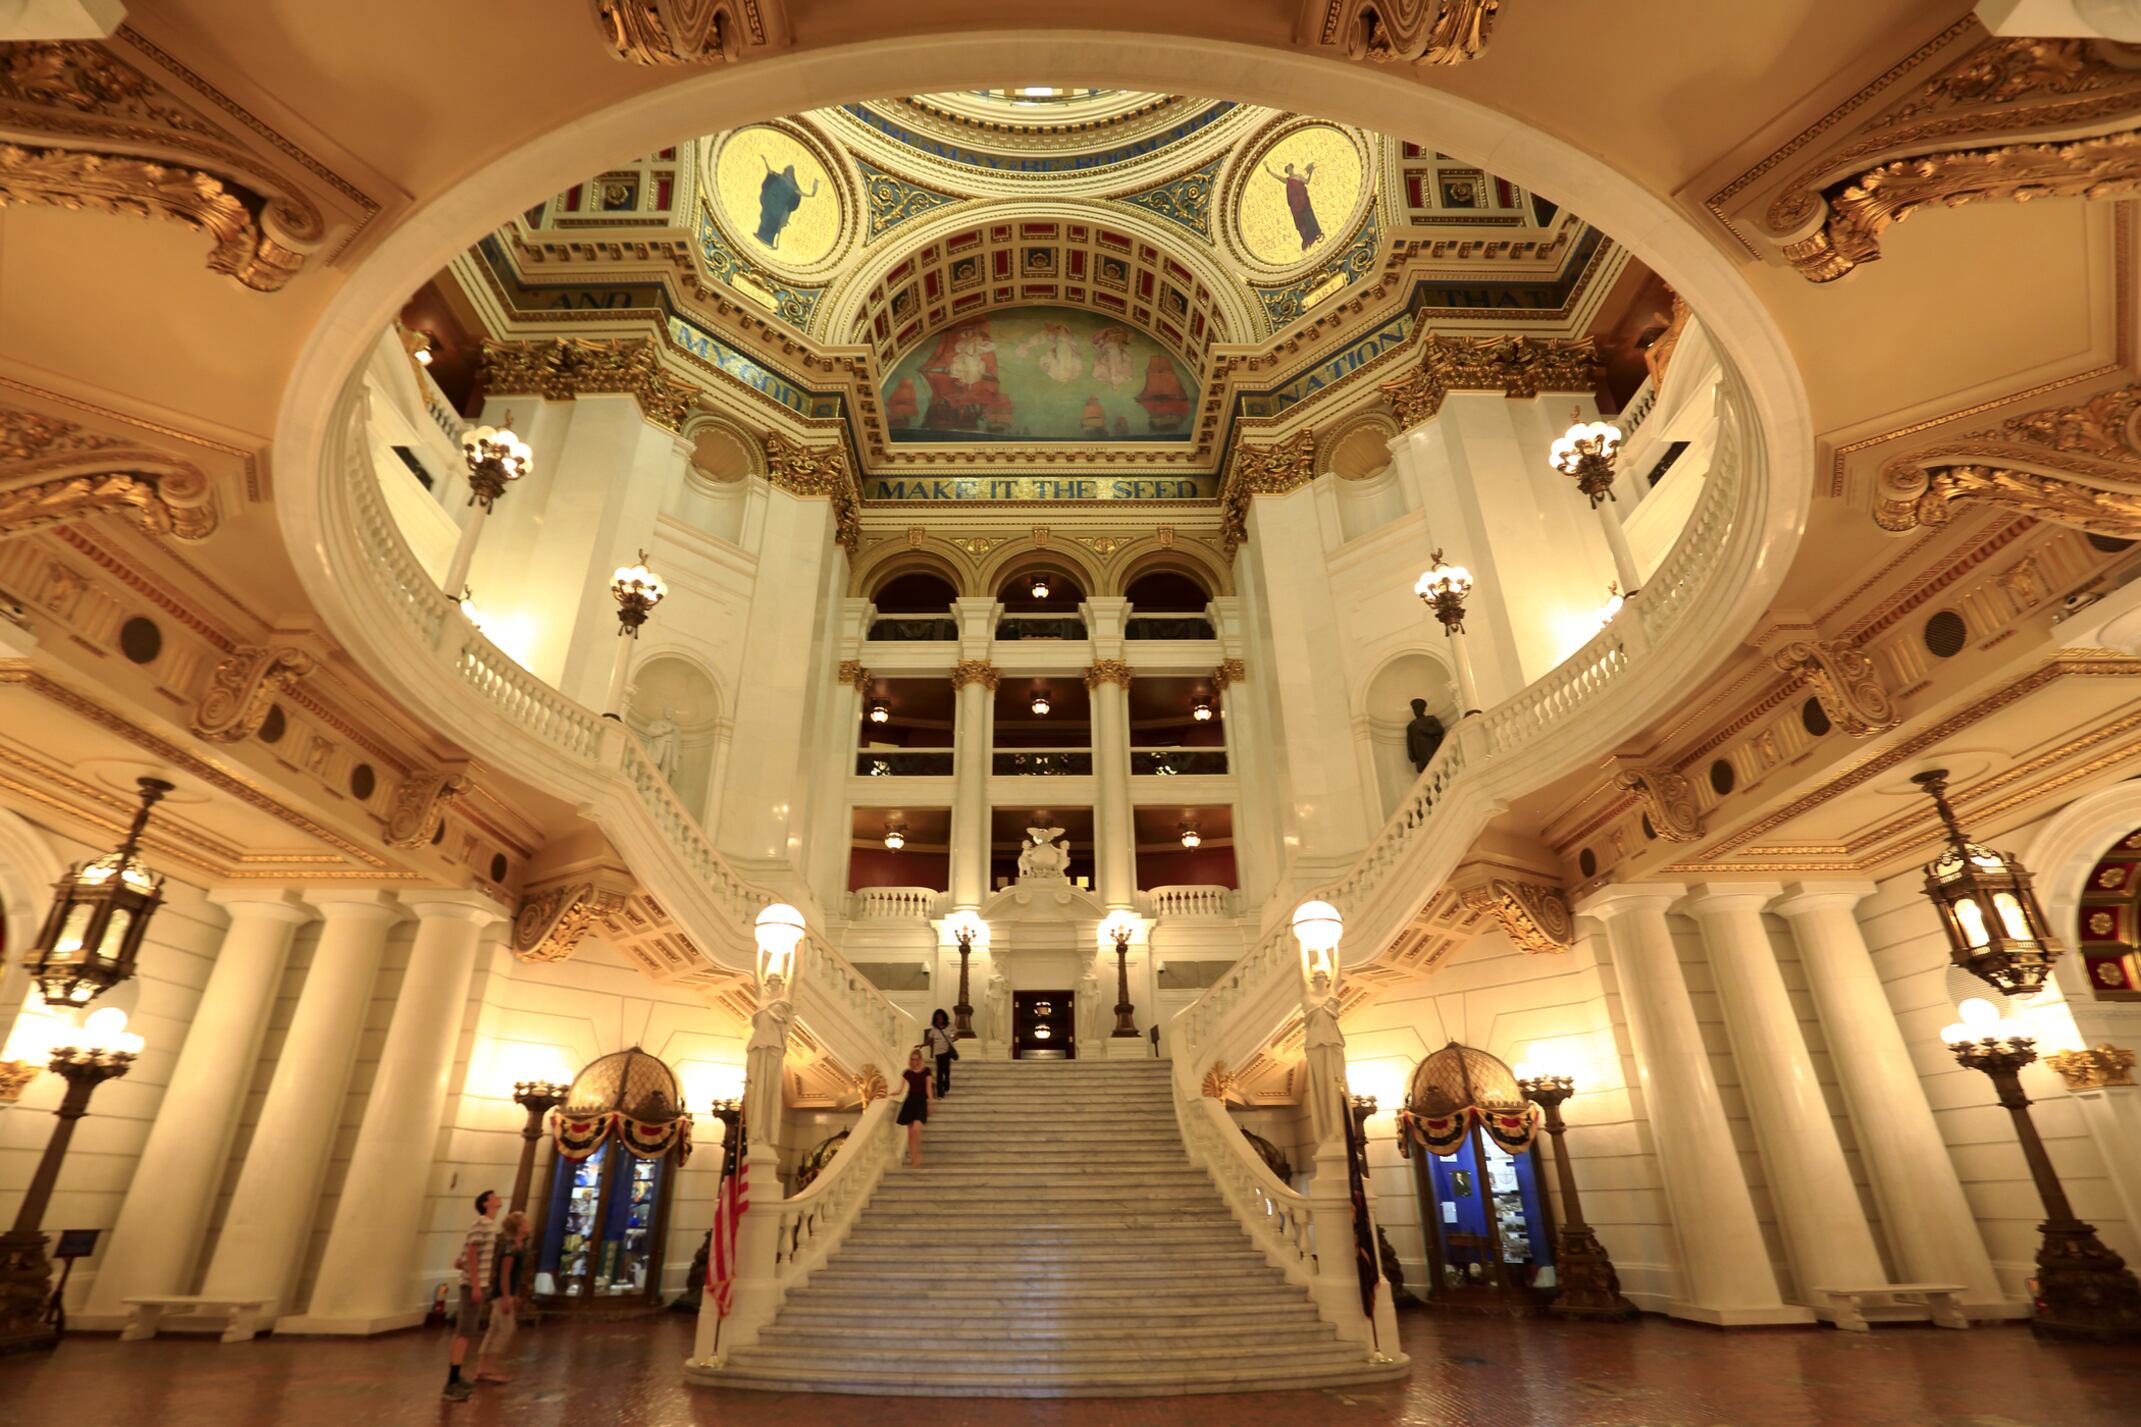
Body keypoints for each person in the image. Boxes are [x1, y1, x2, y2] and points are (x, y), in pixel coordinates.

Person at [443, 1188, 501, 1402]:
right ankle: (451, 1382)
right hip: (473, 1285)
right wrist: (476, 1285)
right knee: (464, 1332)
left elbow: (462, 1259)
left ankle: (456, 1377)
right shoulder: (481, 1224)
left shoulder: (488, 1225)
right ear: (486, 1204)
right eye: (493, 1197)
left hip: (477, 1283)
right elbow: (471, 1253)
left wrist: (470, 1272)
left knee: (465, 1331)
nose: (497, 1198)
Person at [473, 1209, 528, 1385]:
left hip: (504, 1294)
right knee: (506, 1329)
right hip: (502, 1295)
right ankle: (489, 1367)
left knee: (494, 1329)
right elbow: (505, 1274)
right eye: (525, 1223)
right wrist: (506, 1296)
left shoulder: (516, 1247)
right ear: (519, 1227)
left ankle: (483, 1368)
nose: (529, 1225)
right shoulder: (510, 1249)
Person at [896, 1047, 933, 1168]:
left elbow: (928, 1088)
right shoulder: (907, 1072)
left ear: (920, 1060)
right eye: (912, 1059)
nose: (914, 1062)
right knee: (910, 1133)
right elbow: (900, 1089)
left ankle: (919, 1153)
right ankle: (914, 1158)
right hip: (910, 1102)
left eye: (916, 1059)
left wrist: (931, 1103)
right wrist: (892, 1094)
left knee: (916, 1129)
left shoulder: (926, 1071)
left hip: (921, 1102)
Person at [1405, 698, 1446, 773]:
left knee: (1435, 767)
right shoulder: (1411, 725)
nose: (1416, 710)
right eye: (1414, 708)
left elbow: (1440, 730)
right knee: (1426, 771)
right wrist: (1411, 754)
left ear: (1423, 709)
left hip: (1431, 748)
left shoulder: (1431, 719)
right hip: (1419, 753)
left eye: (1418, 707)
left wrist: (1426, 730)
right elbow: (1409, 741)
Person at [924, 1008, 958, 1098]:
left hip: (947, 1052)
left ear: (944, 1018)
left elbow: (956, 1035)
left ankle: (946, 1082)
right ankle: (940, 1093)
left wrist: (952, 1038)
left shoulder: (951, 1026)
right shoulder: (934, 1029)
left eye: (941, 1018)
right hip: (938, 1053)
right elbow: (930, 1040)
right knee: (939, 1072)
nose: (939, 1020)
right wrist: (922, 1045)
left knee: (946, 1070)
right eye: (937, 1018)